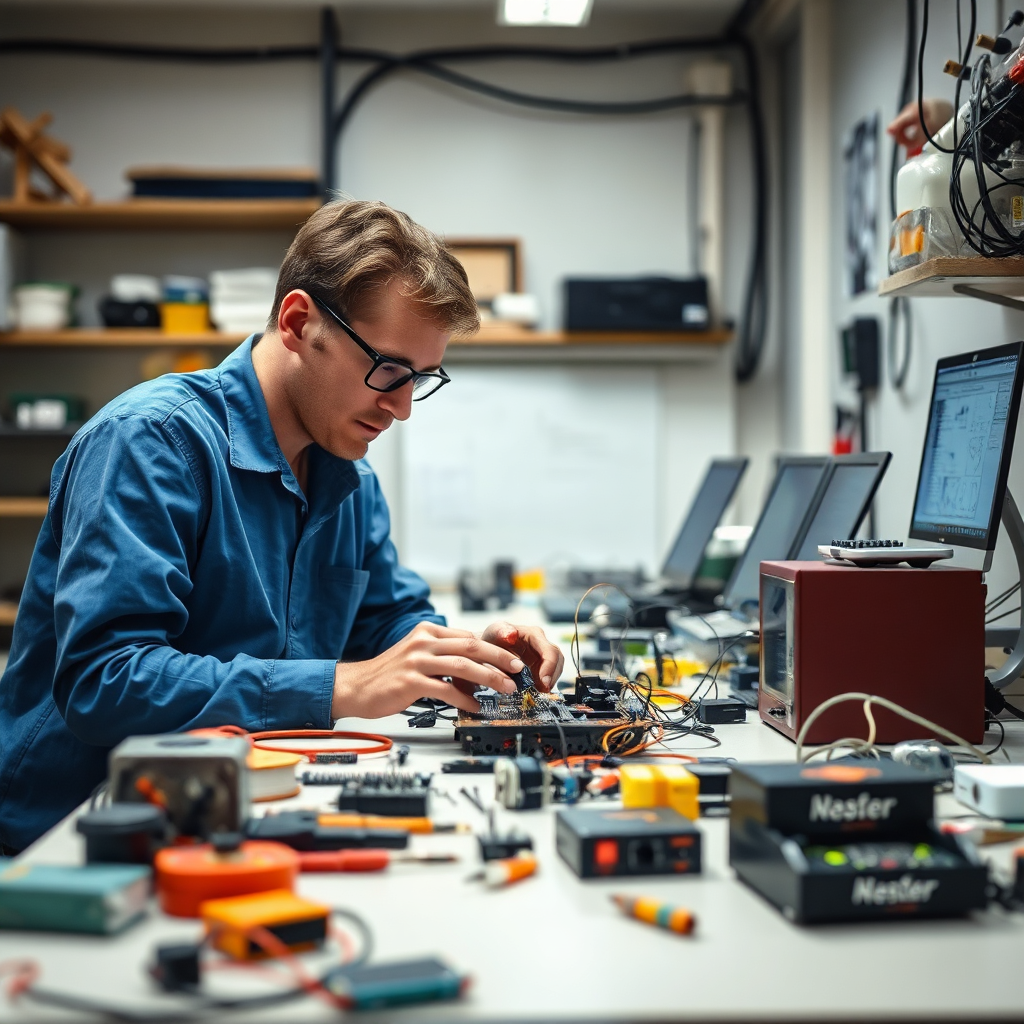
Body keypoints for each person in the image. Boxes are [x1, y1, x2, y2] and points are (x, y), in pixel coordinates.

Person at [0, 199, 563, 854]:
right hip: (74, 836)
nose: (403, 408)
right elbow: (107, 682)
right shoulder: (153, 443)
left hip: (241, 812)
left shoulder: (346, 471)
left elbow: (384, 618)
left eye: (422, 379)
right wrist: (343, 686)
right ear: (299, 323)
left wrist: (462, 656)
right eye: (388, 370)